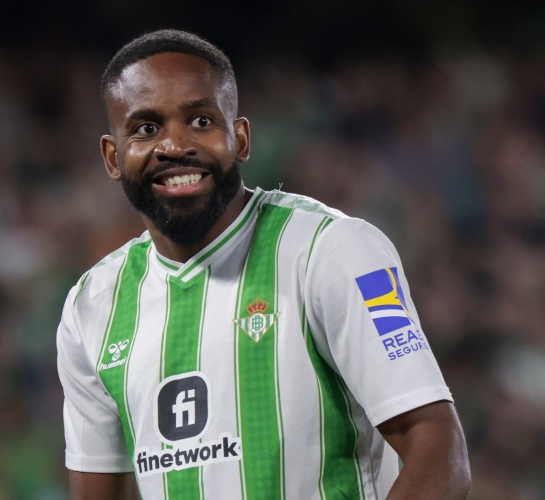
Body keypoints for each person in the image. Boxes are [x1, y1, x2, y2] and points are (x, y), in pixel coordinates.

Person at [56, 29, 471, 500]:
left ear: (240, 138)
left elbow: (440, 454)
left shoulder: (333, 250)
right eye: (147, 128)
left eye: (200, 120)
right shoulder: (92, 306)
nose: (174, 145)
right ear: (113, 157)